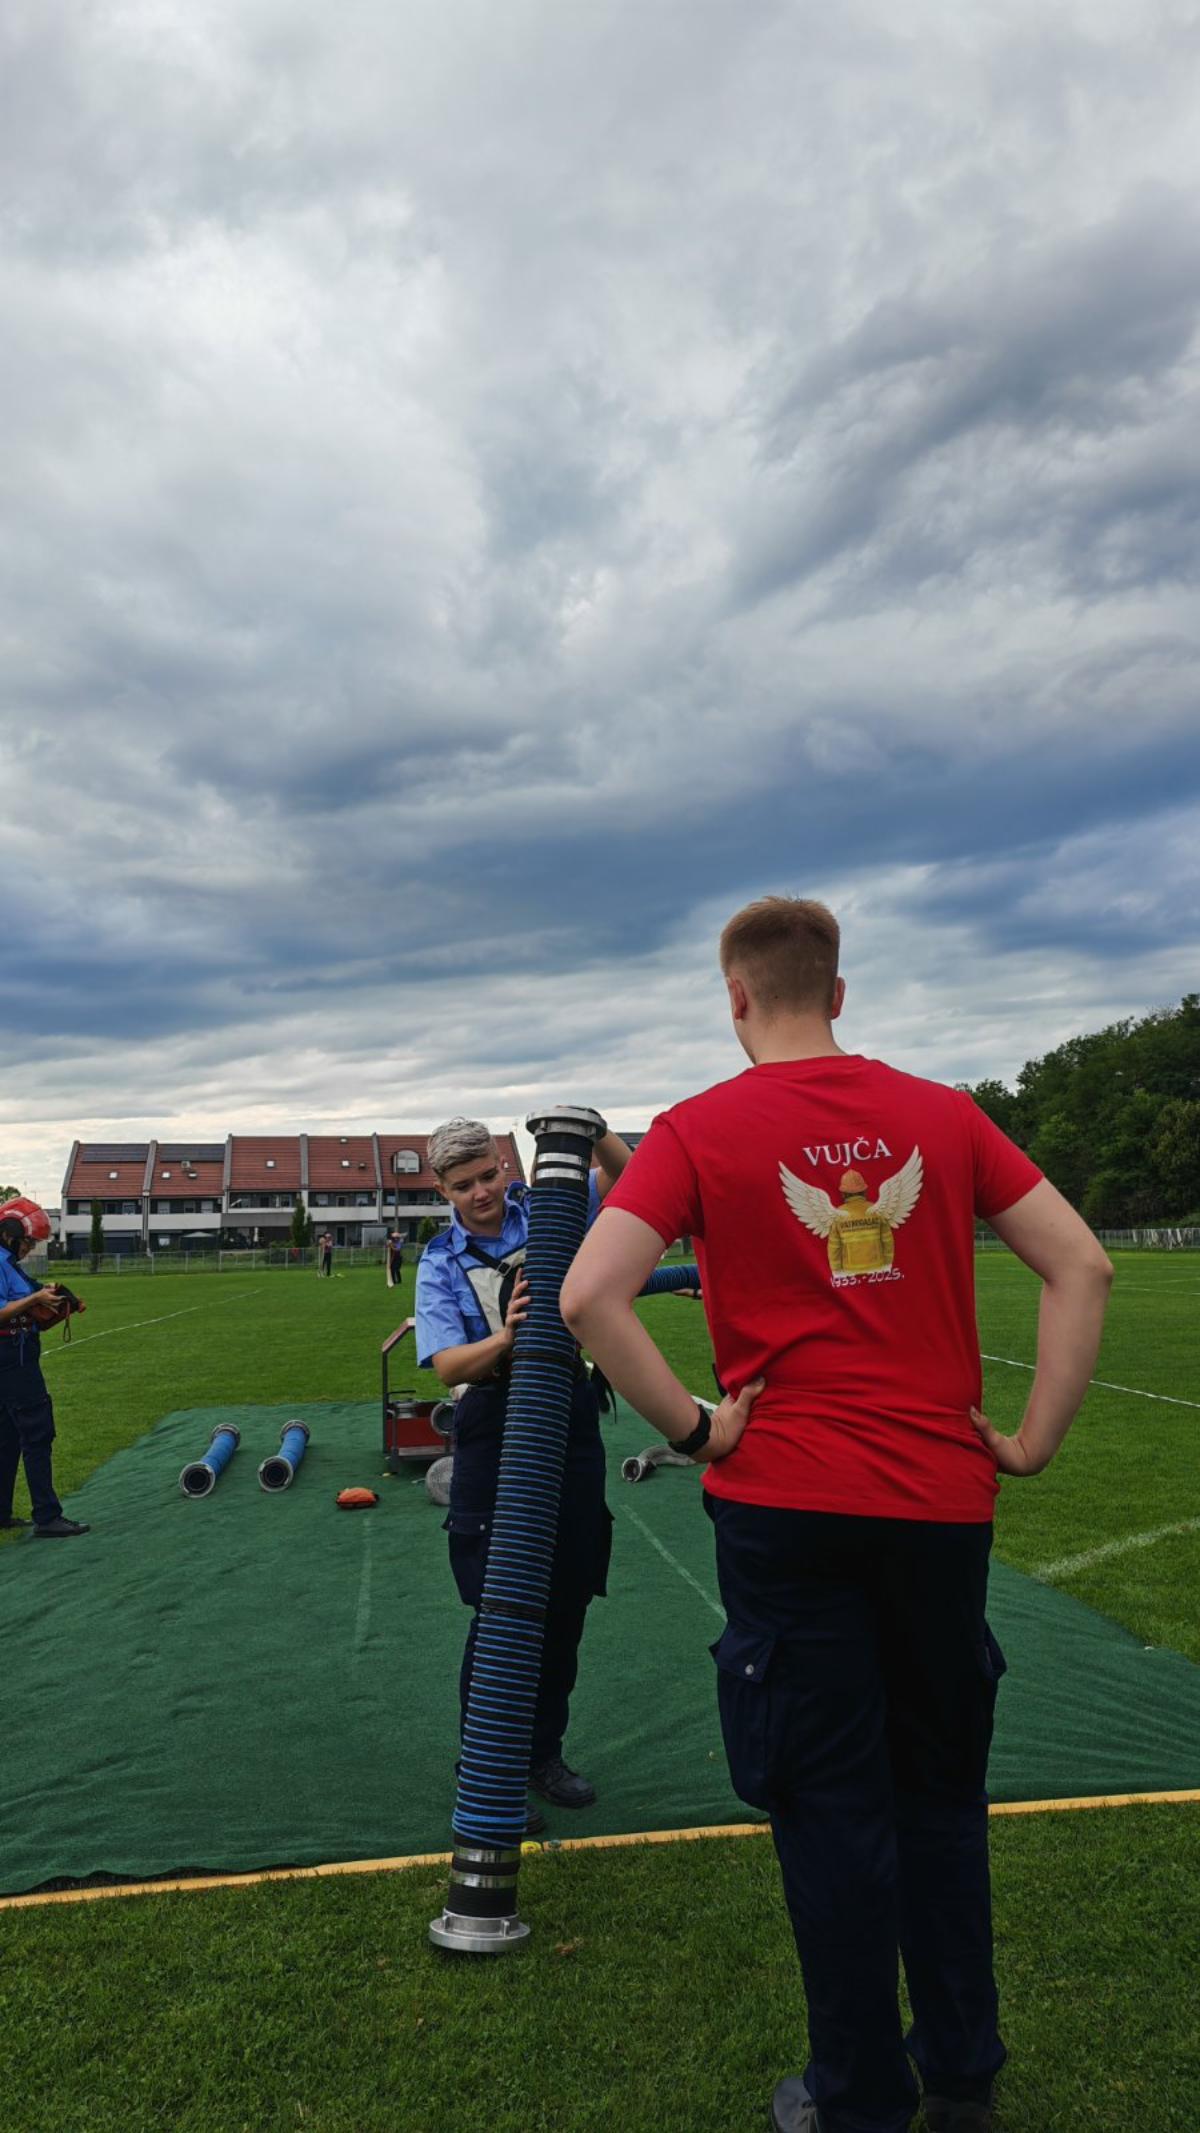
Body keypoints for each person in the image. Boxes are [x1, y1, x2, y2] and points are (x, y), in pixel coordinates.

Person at [561, 896, 1113, 2133]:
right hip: (939, 1508)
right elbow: (1083, 1263)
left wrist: (695, 1430)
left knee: (829, 1810)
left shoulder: (698, 1129)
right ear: (841, 993)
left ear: (737, 998)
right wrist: (1031, 1442)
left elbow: (591, 1297)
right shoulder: (945, 1115)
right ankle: (961, 2077)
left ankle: (857, 2097)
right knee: (940, 1795)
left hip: (786, 1508)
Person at [415, 1114, 631, 1827]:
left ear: (504, 1165)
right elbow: (449, 1365)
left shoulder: (551, 1209)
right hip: (494, 1420)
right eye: (463, 1185)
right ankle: (487, 1766)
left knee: (567, 1595)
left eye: (488, 1175)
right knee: (501, 1603)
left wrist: (593, 1129)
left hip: (568, 1409)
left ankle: (543, 1753)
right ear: (442, 1190)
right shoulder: (440, 1260)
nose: (481, 1193)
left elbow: (630, 1180)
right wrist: (508, 1338)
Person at [0, 1198, 91, 1539]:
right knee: (37, 1432)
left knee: (8, 1437)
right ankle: (47, 1516)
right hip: (14, 1358)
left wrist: (48, 1294)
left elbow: (22, 1297)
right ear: (9, 1233)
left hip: (13, 1354)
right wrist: (36, 1300)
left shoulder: (8, 1262)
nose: (30, 1248)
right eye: (28, 1241)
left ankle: (1, 1513)